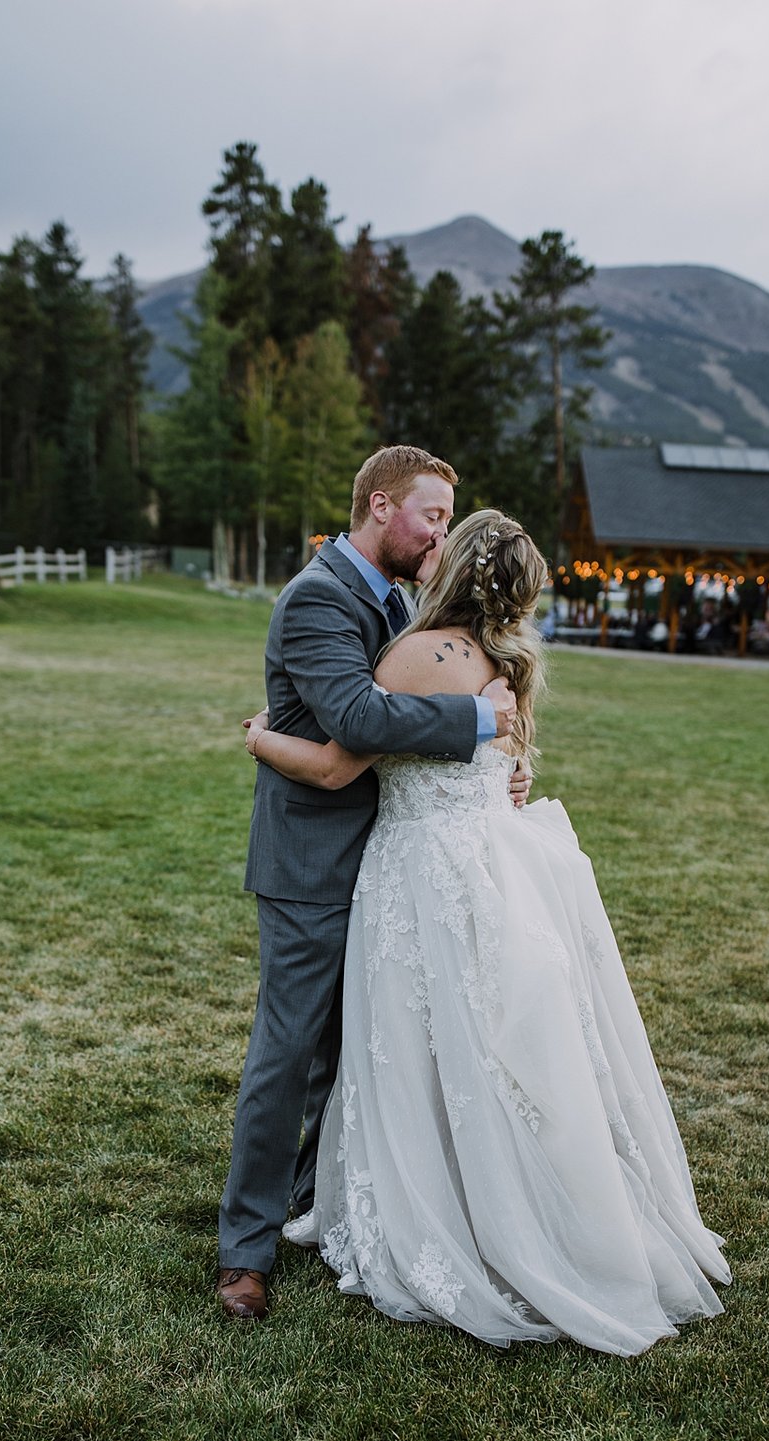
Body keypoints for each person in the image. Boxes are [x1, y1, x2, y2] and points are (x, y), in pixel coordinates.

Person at [245, 509, 732, 1354]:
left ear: (455, 567)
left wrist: (259, 735)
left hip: (416, 874)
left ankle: (440, 1215)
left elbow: (334, 759)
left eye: (442, 532)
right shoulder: (502, 666)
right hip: (488, 868)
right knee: (479, 1053)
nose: (429, 542)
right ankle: (508, 1207)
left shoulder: (412, 653)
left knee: (411, 1047)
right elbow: (501, 761)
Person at [216, 446, 528, 1322]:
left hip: (393, 861)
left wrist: (497, 765)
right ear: (380, 504)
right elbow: (355, 718)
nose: (439, 533)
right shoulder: (318, 597)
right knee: (287, 1055)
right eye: (430, 515)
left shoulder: (398, 600)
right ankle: (245, 1249)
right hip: (314, 865)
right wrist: (477, 721)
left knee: (359, 1053)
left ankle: (323, 1205)